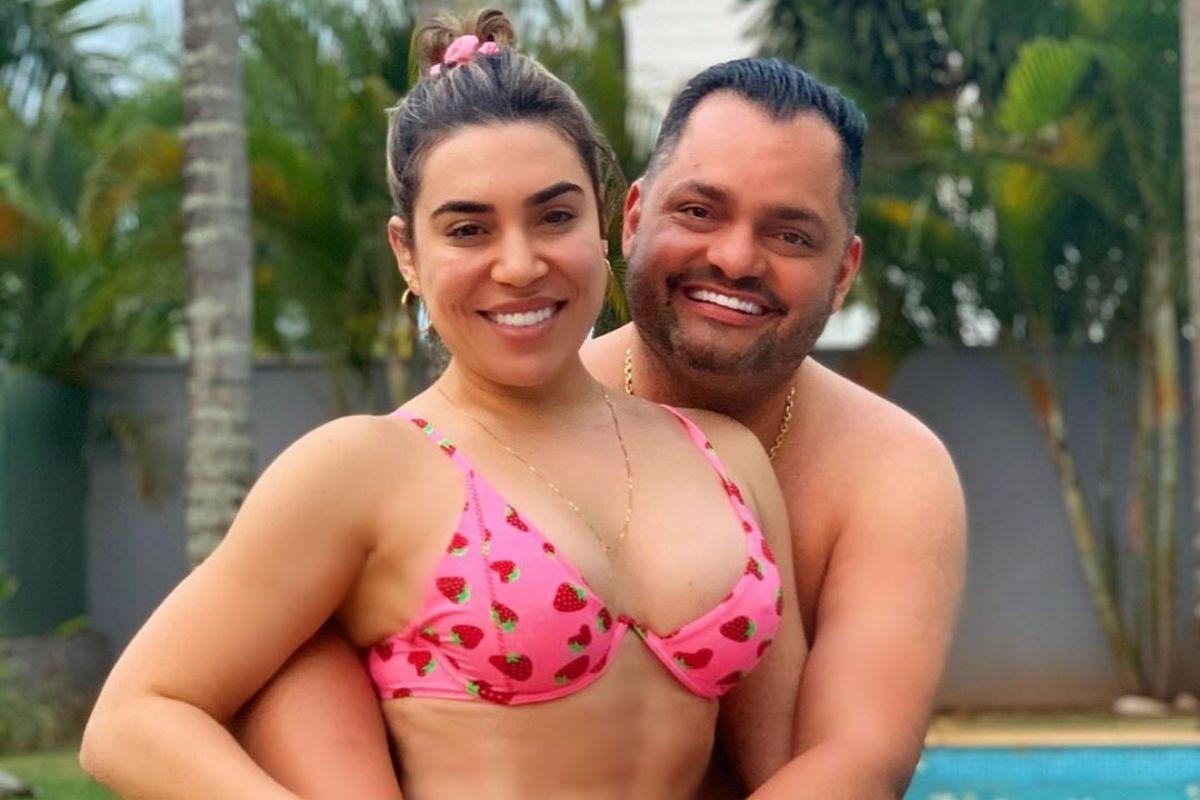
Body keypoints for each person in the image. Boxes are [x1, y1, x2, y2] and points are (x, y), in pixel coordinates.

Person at [77, 11, 806, 800]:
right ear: (408, 253)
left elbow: (787, 767)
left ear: (603, 221)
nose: (519, 265)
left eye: (555, 216)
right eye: (468, 229)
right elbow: (134, 718)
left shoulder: (724, 458)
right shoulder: (368, 469)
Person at [228, 51, 968, 800]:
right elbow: (234, 670)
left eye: (791, 236)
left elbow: (856, 760)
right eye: (699, 211)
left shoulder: (877, 470)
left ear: (843, 273)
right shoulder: (489, 417)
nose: (735, 258)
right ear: (633, 218)